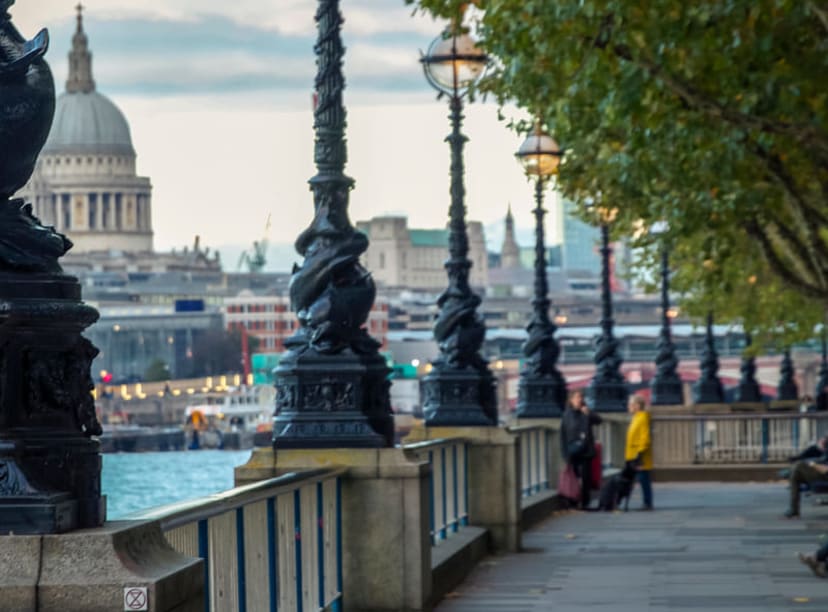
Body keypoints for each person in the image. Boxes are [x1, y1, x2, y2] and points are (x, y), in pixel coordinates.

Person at [560, 389, 602, 509]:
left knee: (586, 478)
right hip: (573, 452)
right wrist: (565, 453)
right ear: (571, 400)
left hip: (586, 451)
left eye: (581, 397)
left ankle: (585, 502)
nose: (580, 399)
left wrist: (588, 413)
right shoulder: (567, 415)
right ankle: (573, 500)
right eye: (577, 397)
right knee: (573, 477)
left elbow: (599, 421)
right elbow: (563, 435)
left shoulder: (586, 411)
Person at [784, 438, 828, 518]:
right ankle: (794, 509)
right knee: (796, 476)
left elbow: (825, 466)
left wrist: (813, 464)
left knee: (798, 466)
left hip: (824, 474)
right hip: (822, 471)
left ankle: (794, 510)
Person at [625, 394, 653, 511]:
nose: (628, 407)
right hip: (633, 454)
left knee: (643, 479)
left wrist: (639, 453)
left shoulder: (642, 418)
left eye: (630, 404)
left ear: (637, 406)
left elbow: (644, 437)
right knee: (641, 479)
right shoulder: (636, 417)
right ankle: (645, 502)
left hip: (639, 456)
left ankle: (647, 503)